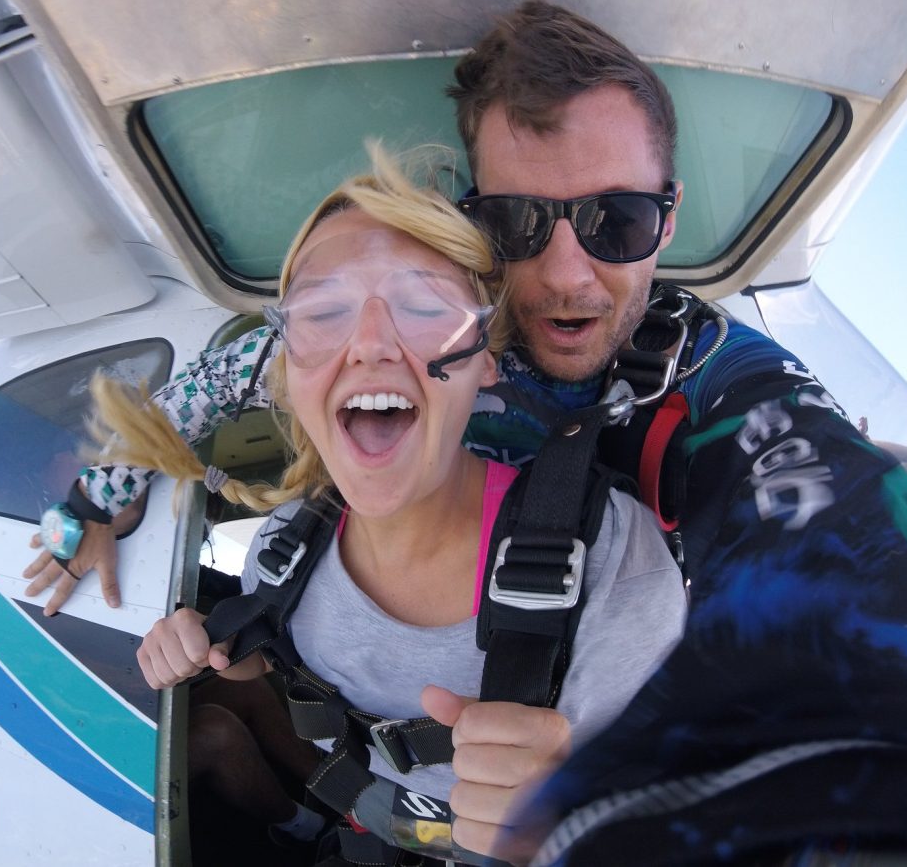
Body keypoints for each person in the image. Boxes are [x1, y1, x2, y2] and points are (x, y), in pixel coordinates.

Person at [25, 0, 907, 864]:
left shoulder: (721, 386)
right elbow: (206, 386)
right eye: (524, 222)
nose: (570, 272)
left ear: (669, 218)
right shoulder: (415, 335)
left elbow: (881, 670)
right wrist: (90, 505)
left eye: (616, 219)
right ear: (477, 219)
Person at [97, 148, 686, 864]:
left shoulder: (609, 562)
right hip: (366, 830)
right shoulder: (282, 552)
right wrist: (201, 646)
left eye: (425, 309)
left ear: (484, 363)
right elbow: (271, 671)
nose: (371, 344)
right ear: (288, 365)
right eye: (324, 311)